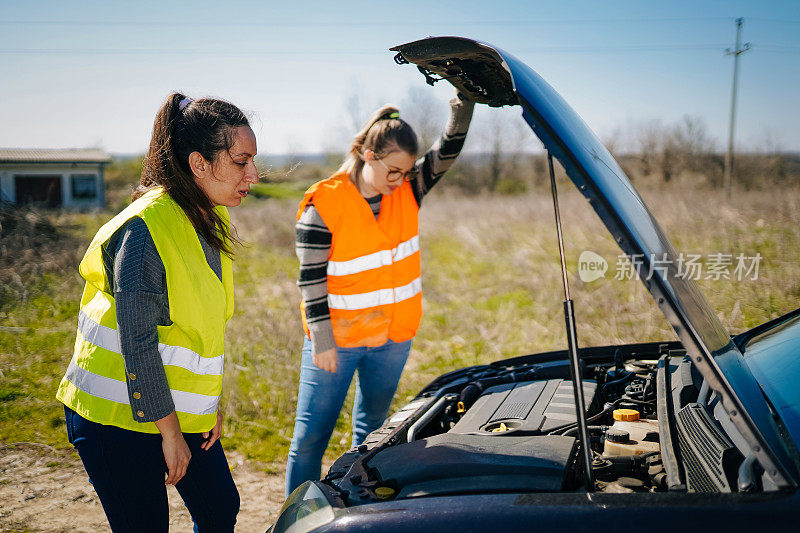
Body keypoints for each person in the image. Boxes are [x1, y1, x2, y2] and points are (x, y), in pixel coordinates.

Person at [56, 92, 258, 532]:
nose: (253, 175)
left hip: (173, 408)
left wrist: (203, 407)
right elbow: (138, 341)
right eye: (241, 162)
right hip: (113, 415)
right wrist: (171, 434)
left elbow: (192, 332)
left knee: (220, 506)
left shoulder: (207, 217)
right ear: (199, 163)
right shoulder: (145, 229)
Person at [287, 93, 474, 496]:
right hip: (336, 343)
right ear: (369, 155)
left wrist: (463, 106)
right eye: (392, 171)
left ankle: (359, 506)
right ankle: (296, 515)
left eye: (406, 173)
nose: (399, 181)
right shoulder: (323, 204)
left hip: (393, 338)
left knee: (372, 433)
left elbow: (448, 151)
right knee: (309, 441)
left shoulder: (408, 189)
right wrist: (322, 341)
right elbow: (310, 280)